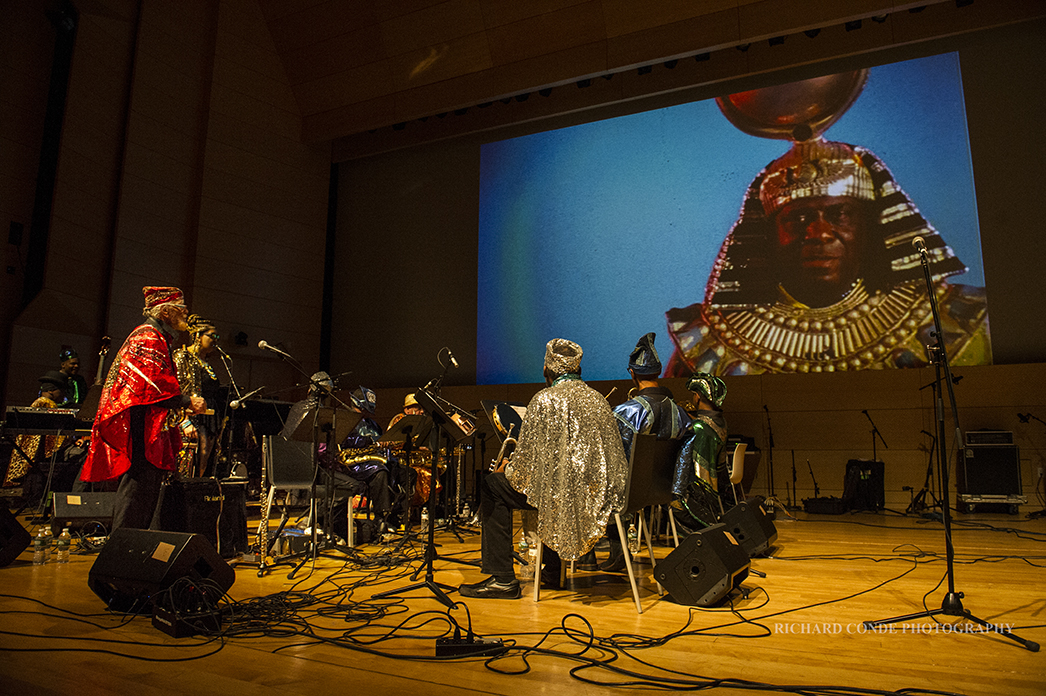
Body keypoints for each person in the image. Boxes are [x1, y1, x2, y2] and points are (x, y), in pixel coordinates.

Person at [665, 84, 990, 376]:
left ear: (871, 228)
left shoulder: (960, 322)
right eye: (798, 220)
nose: (819, 233)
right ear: (767, 236)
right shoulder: (708, 343)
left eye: (840, 215)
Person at [459, 338, 628, 599]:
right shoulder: (598, 400)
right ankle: (552, 570)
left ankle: (502, 579)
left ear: (546, 371)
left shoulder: (544, 400)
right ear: (578, 369)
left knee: (493, 485)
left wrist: (507, 468)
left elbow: (525, 467)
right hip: (599, 497)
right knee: (553, 484)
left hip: (565, 497)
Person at [80, 287, 206, 531]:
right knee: (137, 489)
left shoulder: (157, 336)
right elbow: (149, 387)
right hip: (139, 426)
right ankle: (123, 547)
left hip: (148, 424)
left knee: (145, 490)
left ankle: (133, 545)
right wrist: (186, 401)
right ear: (166, 312)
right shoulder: (147, 337)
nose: (186, 313)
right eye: (181, 309)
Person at [600, 332, 691, 571]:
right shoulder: (681, 414)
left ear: (632, 374)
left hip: (630, 496)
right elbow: (685, 457)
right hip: (662, 492)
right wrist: (676, 491)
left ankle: (587, 555)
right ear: (659, 373)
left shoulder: (625, 412)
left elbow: (612, 458)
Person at [672, 372, 730, 533]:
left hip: (698, 496)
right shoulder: (721, 423)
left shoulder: (699, 428)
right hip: (716, 492)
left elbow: (691, 471)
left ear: (697, 396)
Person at [173, 315, 222, 477]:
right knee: (192, 460)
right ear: (197, 336)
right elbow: (177, 390)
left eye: (217, 336)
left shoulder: (207, 363)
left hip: (210, 416)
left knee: (206, 460)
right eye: (211, 335)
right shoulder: (183, 356)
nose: (215, 340)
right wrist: (184, 421)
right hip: (191, 415)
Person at [3, 371, 70, 489]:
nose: (63, 395)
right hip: (37, 455)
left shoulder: (37, 402)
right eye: (61, 391)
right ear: (51, 391)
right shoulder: (48, 403)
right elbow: (54, 439)